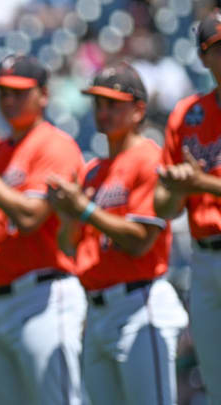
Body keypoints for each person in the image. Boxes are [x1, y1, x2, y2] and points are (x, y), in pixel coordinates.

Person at [0, 54, 86, 405]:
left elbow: (30, 218)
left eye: (18, 92)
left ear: (44, 95)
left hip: (42, 293)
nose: (8, 101)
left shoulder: (55, 144)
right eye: (3, 92)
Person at [47, 63, 188, 404]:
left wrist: (83, 209)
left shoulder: (147, 157)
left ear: (139, 109)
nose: (104, 112)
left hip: (138, 303)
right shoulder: (93, 170)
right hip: (97, 309)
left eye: (113, 103)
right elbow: (69, 245)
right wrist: (68, 215)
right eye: (98, 103)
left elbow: (141, 241)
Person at [154, 10, 221, 403]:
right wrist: (180, 188)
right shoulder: (186, 114)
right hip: (203, 256)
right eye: (218, 49)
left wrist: (200, 183)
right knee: (214, 379)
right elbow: (164, 207)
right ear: (202, 57)